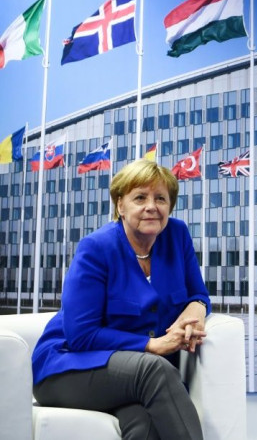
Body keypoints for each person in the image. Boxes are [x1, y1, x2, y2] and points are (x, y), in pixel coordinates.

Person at [32, 158, 211, 440]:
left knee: (144, 423)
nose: (151, 206)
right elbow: (80, 335)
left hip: (128, 377)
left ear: (170, 206)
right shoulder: (96, 247)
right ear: (120, 205)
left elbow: (198, 294)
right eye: (140, 197)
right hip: (69, 367)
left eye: (160, 198)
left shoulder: (177, 235)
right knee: (155, 370)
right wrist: (152, 345)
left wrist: (197, 309)